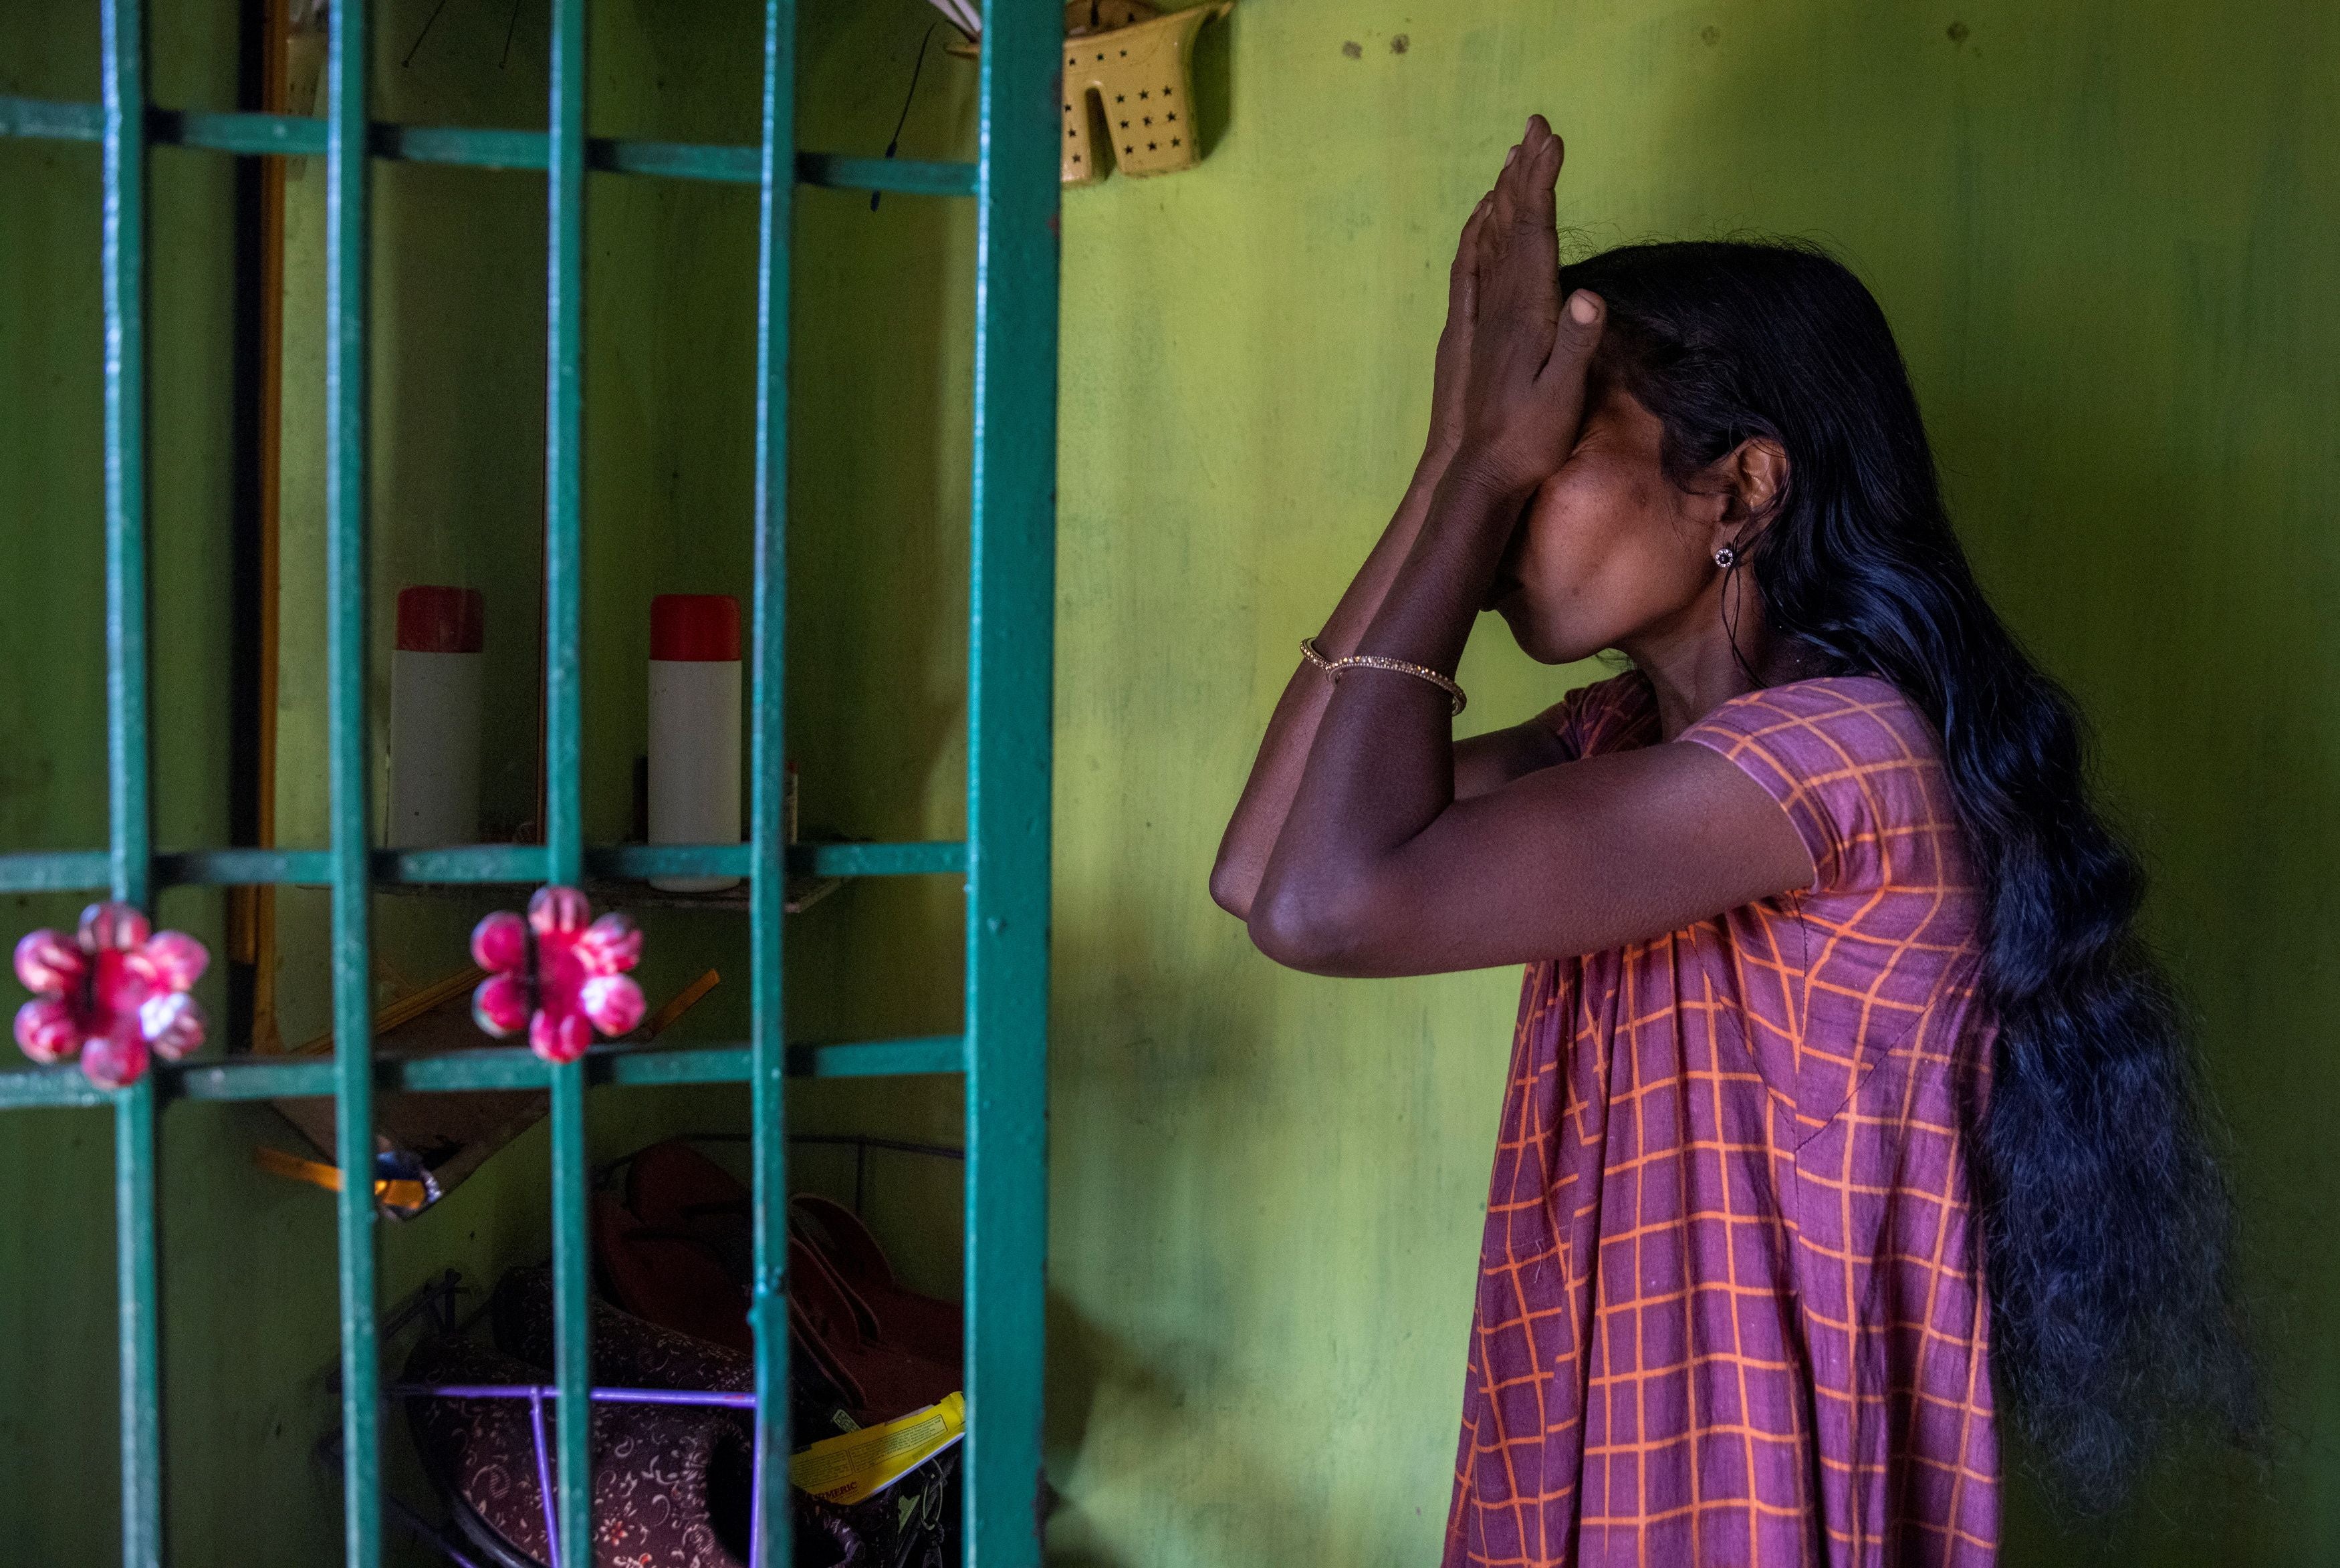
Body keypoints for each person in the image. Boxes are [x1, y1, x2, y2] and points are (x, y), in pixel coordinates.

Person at [1210, 115, 2252, 1567]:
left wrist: (1468, 478)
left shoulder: (1835, 758)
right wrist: (1455, 462)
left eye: (1551, 454)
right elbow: (1260, 870)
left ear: (1743, 489)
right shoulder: (1622, 745)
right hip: (1604, 1474)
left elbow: (1325, 909)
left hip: (1732, 1513)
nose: (1506, 505)